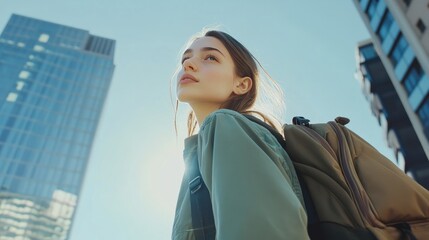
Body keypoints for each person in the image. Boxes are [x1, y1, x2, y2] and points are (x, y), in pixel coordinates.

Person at [172, 29, 310, 240]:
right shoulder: (206, 148)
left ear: (242, 84)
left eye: (210, 57)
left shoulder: (227, 125)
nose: (187, 65)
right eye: (186, 57)